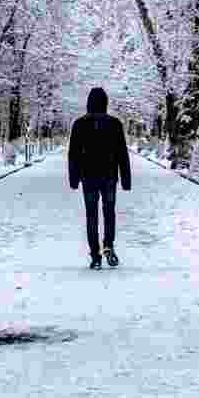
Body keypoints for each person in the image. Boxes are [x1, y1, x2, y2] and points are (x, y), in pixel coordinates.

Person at [68, 87, 132, 270]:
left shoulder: (79, 124)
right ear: (105, 103)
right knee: (109, 212)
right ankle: (108, 246)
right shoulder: (115, 124)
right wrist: (126, 179)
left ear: (88, 102)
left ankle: (95, 255)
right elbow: (122, 153)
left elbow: (73, 154)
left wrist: (74, 178)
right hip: (109, 177)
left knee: (91, 215)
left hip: (88, 177)